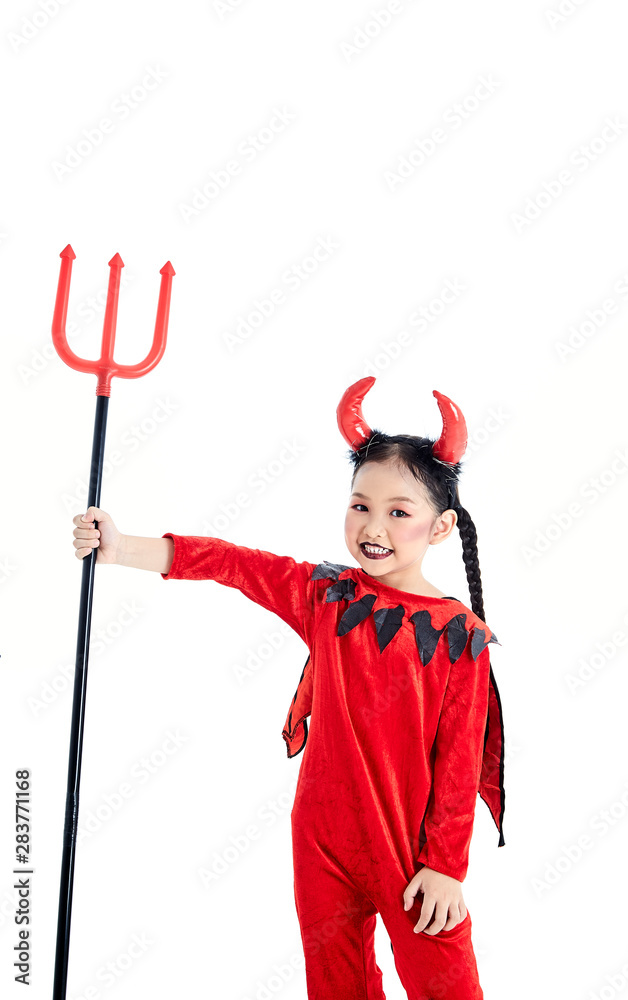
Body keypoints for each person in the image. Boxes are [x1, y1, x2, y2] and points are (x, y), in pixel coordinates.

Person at [71, 376, 505, 1000]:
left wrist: (445, 866)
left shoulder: (459, 637)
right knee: (335, 985)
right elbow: (233, 563)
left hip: (410, 852)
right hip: (323, 839)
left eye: (398, 512)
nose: (373, 525)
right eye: (360, 505)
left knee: (446, 987)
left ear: (440, 528)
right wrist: (120, 549)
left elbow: (459, 760)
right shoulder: (326, 596)